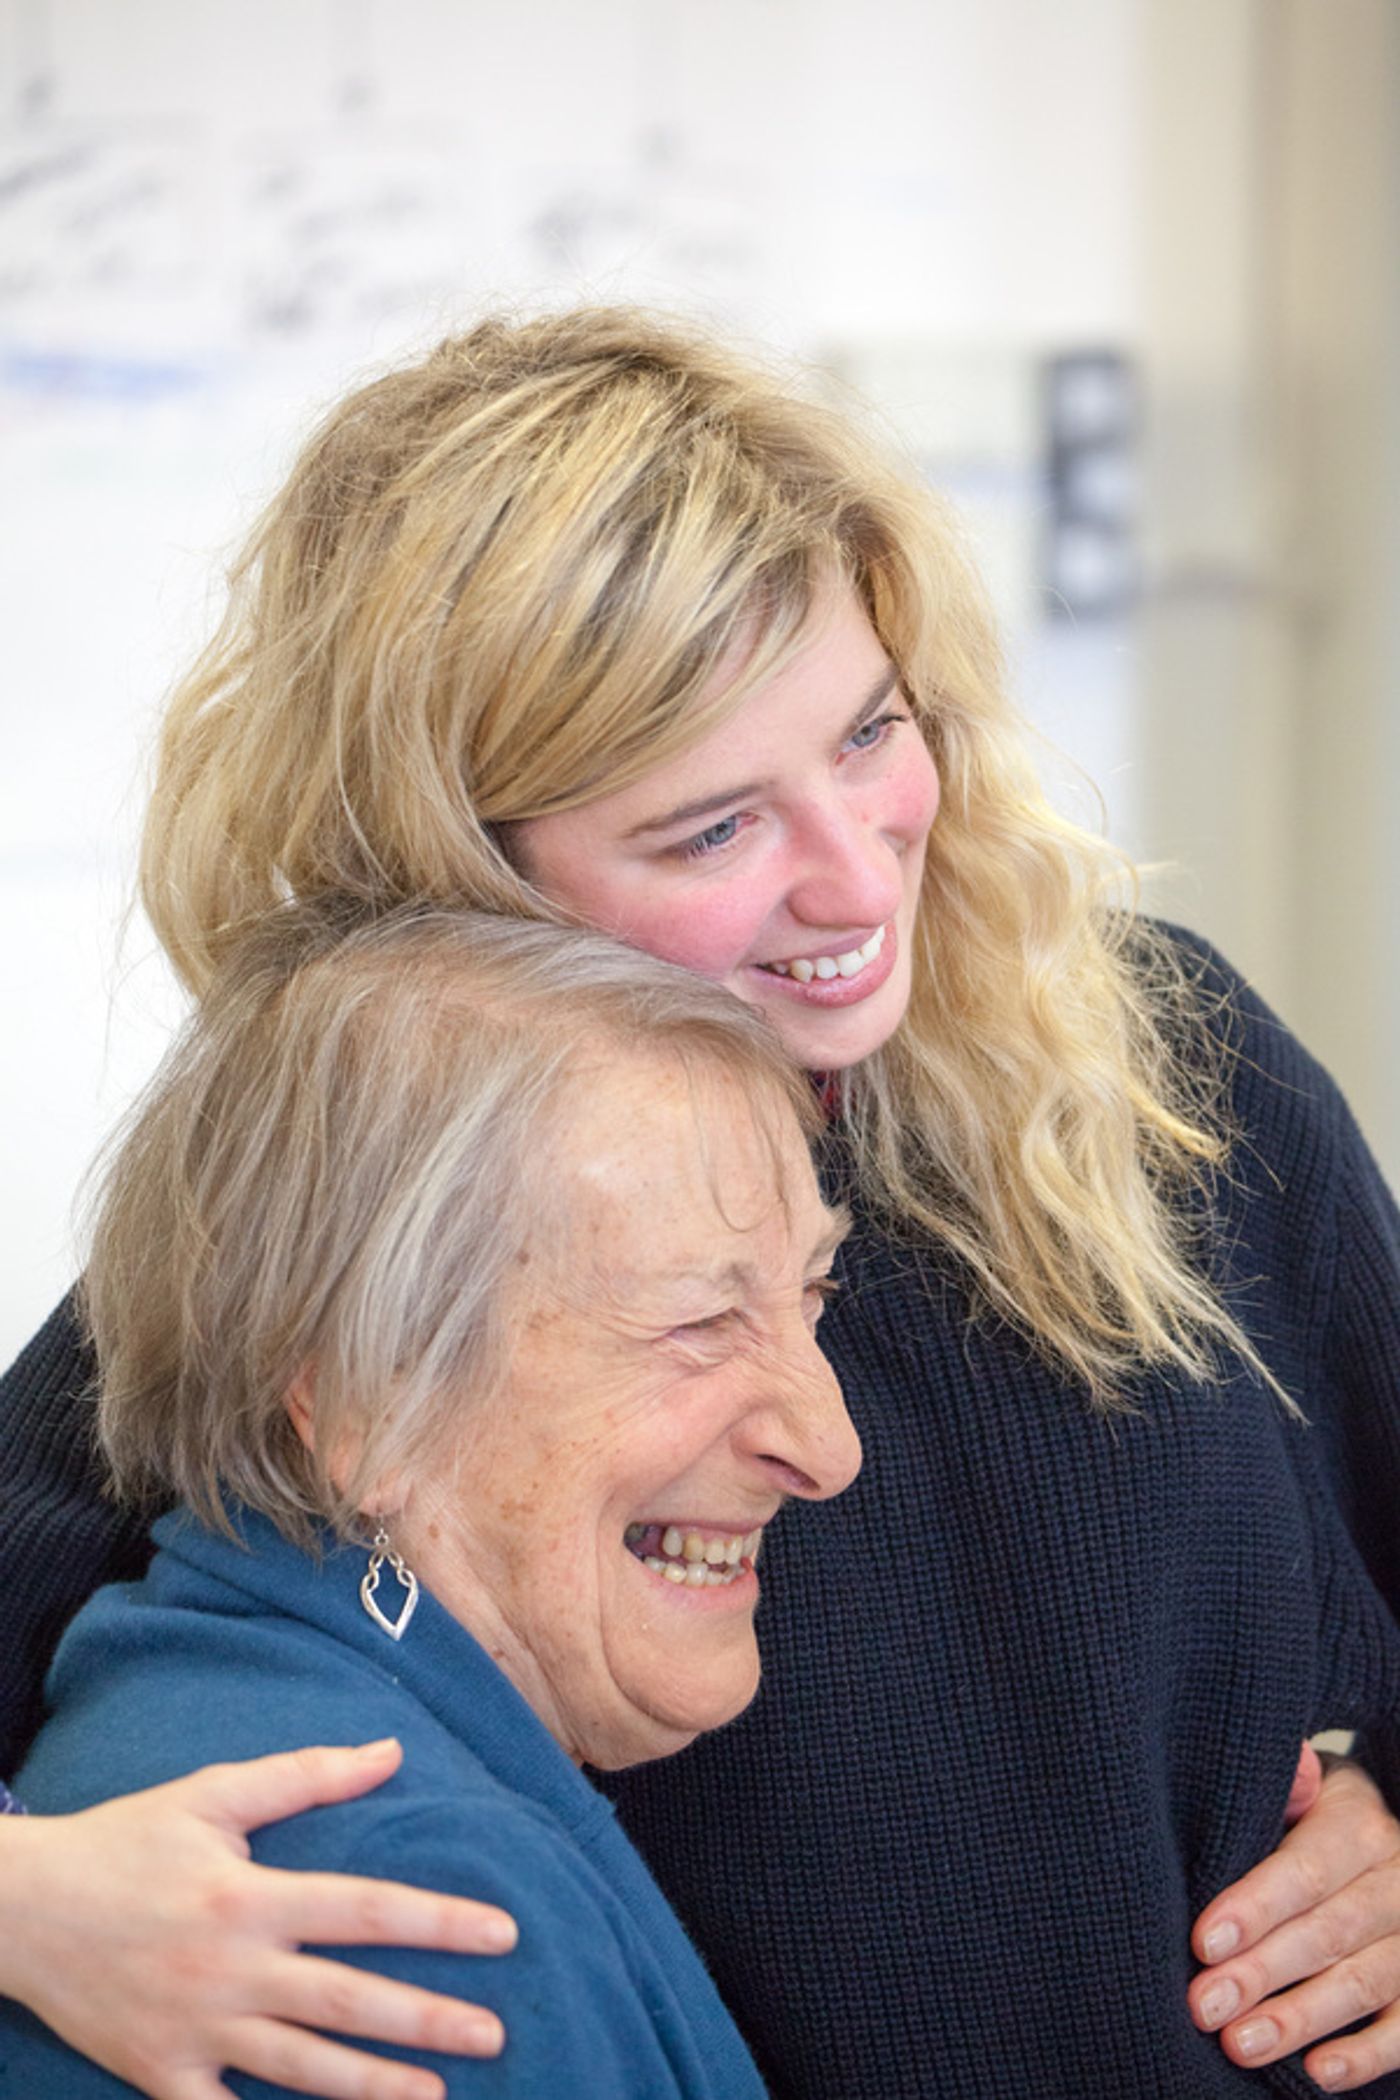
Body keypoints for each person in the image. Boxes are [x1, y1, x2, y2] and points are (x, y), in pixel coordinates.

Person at [2, 307, 1399, 2098]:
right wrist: (32, 1904)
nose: (849, 873)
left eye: (871, 733)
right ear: (464, 880)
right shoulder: (362, 1225)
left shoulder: (1169, 1067)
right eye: (710, 829)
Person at [0, 903, 860, 2096]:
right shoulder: (415, 1906)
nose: (830, 1447)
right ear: (364, 1406)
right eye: (698, 1322)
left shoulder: (178, 1674)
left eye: (812, 1291)